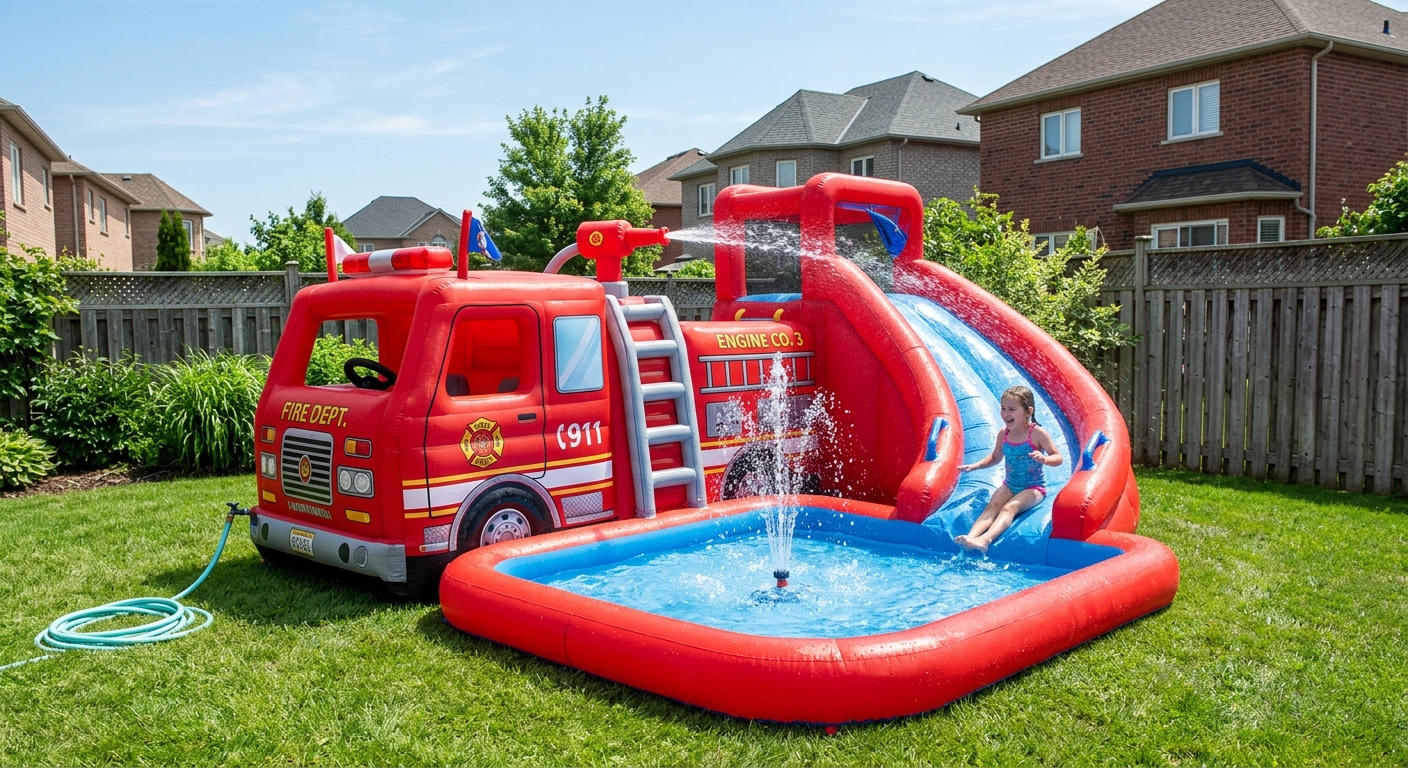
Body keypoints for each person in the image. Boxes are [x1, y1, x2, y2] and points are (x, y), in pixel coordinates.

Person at [954, 386, 1063, 554]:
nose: (1006, 414)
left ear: (1028, 411)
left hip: (1033, 488)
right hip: (1010, 484)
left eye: (1012, 409)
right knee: (993, 506)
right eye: (1003, 408)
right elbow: (996, 457)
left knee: (1009, 508)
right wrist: (975, 466)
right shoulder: (1003, 434)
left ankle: (985, 540)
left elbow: (1058, 457)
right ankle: (971, 538)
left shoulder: (1036, 433)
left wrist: (1045, 459)